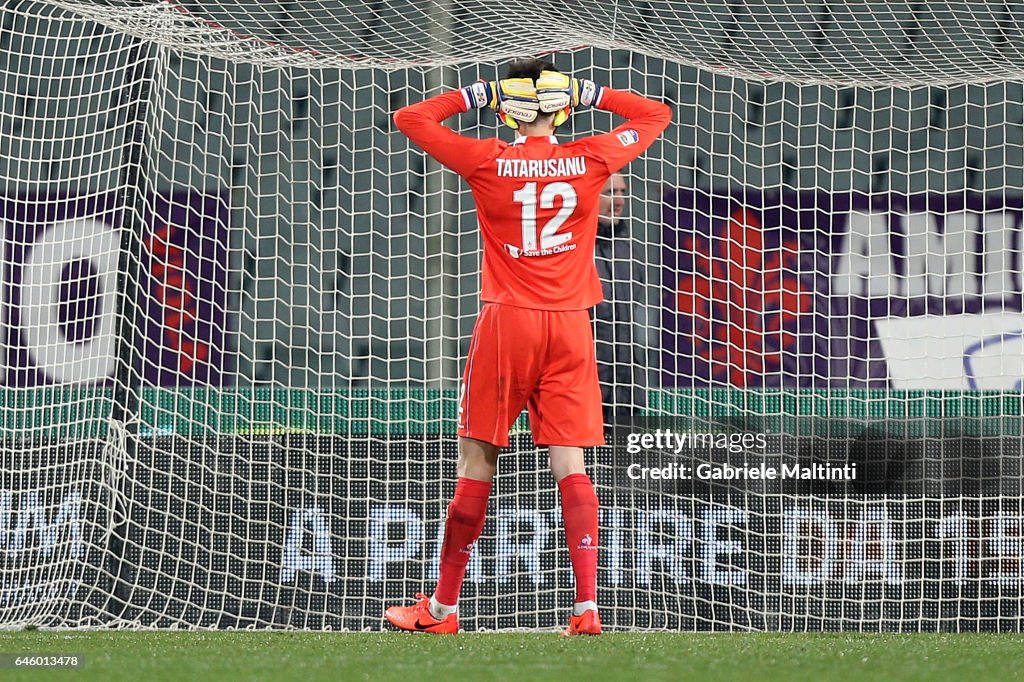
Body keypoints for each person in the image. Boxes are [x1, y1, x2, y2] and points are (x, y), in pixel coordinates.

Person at [385, 58, 671, 636]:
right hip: (570, 325)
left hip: (508, 322)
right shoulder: (590, 157)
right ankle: (587, 608)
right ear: (562, 106)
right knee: (571, 462)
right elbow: (654, 113)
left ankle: (441, 610)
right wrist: (592, 92)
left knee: (478, 459)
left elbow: (410, 117)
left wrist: (476, 94)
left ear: (507, 106)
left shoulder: (487, 160)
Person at [594, 173, 648, 427]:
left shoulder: (629, 254)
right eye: (610, 192)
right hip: (582, 389)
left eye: (622, 192)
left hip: (627, 391)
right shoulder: (571, 251)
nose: (619, 201)